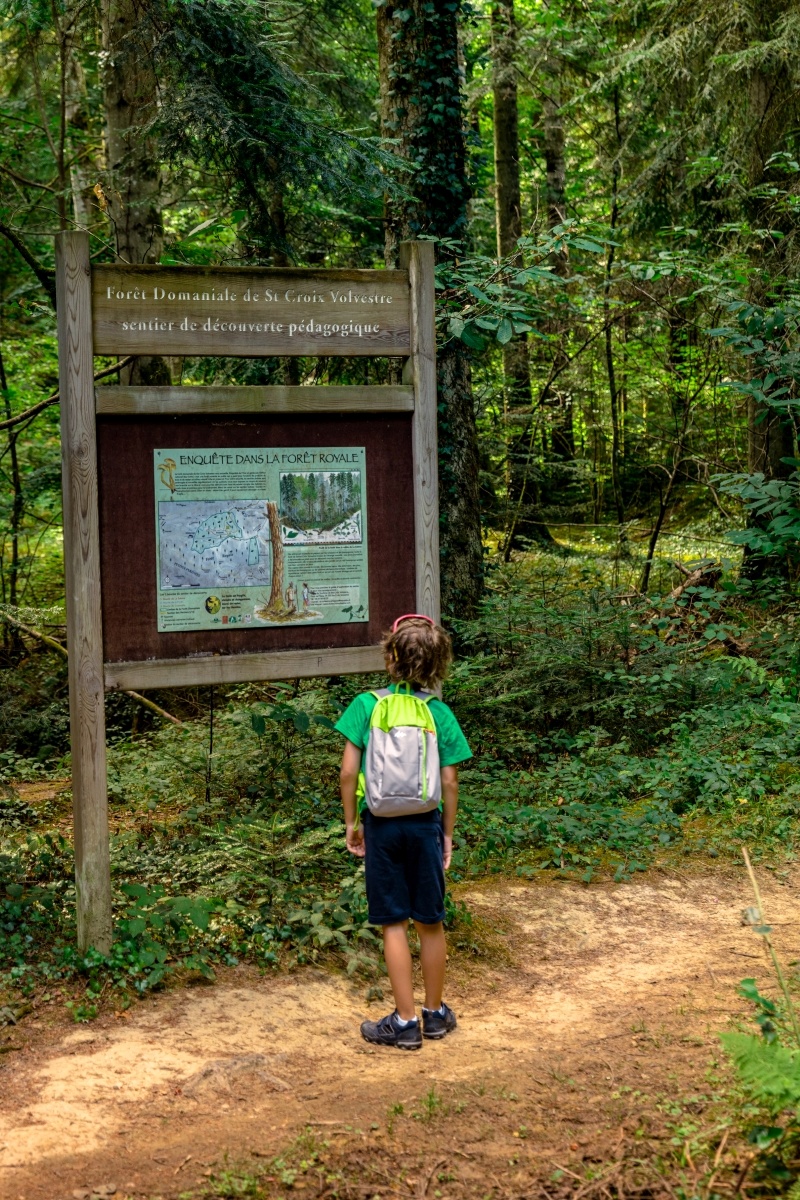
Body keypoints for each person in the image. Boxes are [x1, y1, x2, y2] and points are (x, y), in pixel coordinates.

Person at [335, 614, 472, 1050]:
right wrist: (446, 835)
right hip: (425, 824)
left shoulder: (365, 705)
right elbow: (449, 782)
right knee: (430, 921)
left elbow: (347, 772)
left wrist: (352, 824)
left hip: (382, 826)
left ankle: (405, 1022)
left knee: (392, 921)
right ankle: (434, 1015)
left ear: (390, 657)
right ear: (437, 663)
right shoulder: (439, 713)